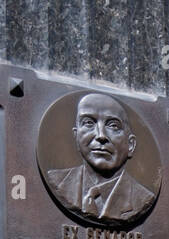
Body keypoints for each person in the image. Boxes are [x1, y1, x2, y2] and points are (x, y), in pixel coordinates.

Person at [46, 92, 157, 224]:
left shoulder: (143, 198)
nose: (101, 135)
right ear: (76, 136)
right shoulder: (56, 181)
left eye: (113, 125)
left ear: (131, 145)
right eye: (88, 123)